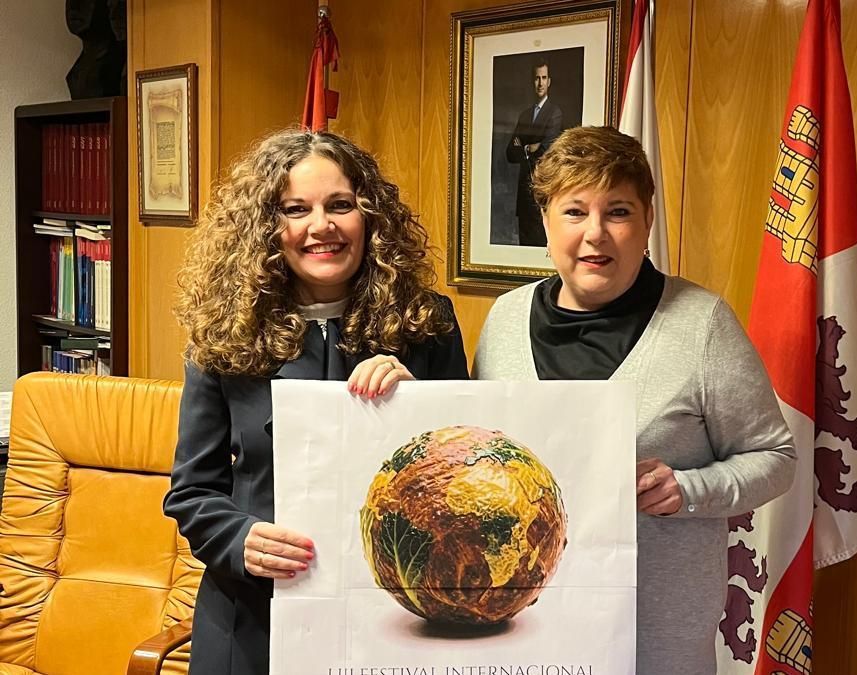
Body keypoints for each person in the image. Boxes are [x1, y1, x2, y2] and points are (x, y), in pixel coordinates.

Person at [474, 126, 796, 674]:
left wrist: (687, 489)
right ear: (545, 223)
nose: (595, 235)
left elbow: (777, 459)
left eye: (617, 212)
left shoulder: (702, 325)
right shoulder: (504, 320)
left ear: (647, 220)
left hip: (656, 637)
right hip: (522, 629)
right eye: (574, 212)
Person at [164, 128, 468, 675]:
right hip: (253, 617)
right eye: (295, 208)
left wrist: (419, 404)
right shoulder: (222, 334)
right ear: (266, 228)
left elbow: (463, 476)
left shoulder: (429, 325)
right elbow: (192, 492)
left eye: (341, 205)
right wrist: (241, 539)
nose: (320, 226)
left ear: (371, 217)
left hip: (392, 619)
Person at [505, 58, 563, 247]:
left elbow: (547, 150)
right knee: (524, 247)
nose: (540, 83)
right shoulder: (524, 115)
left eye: (543, 78)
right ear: (532, 81)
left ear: (549, 81)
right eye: (537, 78)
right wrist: (529, 147)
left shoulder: (555, 113)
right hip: (523, 195)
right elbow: (510, 153)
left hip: (543, 194)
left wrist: (525, 145)